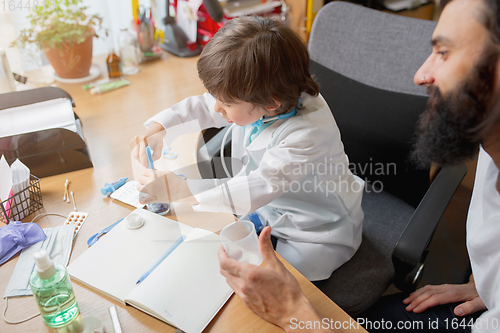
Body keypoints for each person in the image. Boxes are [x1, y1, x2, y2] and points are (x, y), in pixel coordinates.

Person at [217, 0, 500, 332]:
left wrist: (293, 314)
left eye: (444, 53)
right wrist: (491, 287)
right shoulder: (490, 145)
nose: (421, 75)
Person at [130, 16, 364, 283]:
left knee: (275, 283)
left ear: (271, 103)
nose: (217, 108)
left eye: (226, 103)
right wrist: (160, 127)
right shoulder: (264, 97)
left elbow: (259, 186)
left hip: (317, 230)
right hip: (274, 209)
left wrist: (181, 190)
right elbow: (205, 107)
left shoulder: (308, 134)